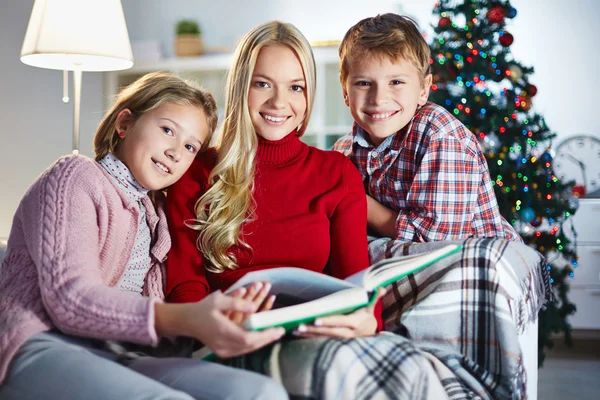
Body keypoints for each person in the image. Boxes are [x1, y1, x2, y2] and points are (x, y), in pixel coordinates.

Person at [0, 72, 288, 400]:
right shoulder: (76, 177)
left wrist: (226, 321)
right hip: (39, 342)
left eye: (191, 146)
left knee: (258, 392)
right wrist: (187, 319)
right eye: (167, 130)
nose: (176, 152)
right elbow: (72, 298)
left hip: (117, 353)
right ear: (124, 124)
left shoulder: (157, 213)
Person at [165, 21, 384, 341]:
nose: (279, 103)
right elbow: (186, 285)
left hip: (315, 337)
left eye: (296, 87)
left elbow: (355, 282)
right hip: (229, 338)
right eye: (263, 84)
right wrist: (206, 331)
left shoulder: (337, 173)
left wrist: (369, 320)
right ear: (241, 87)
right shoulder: (196, 170)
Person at [332, 13, 523, 243]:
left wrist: (359, 203)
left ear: (424, 89)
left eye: (396, 82)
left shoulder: (441, 136)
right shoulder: (343, 150)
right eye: (364, 83)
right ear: (345, 92)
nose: (378, 98)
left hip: (479, 263)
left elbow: (436, 241)